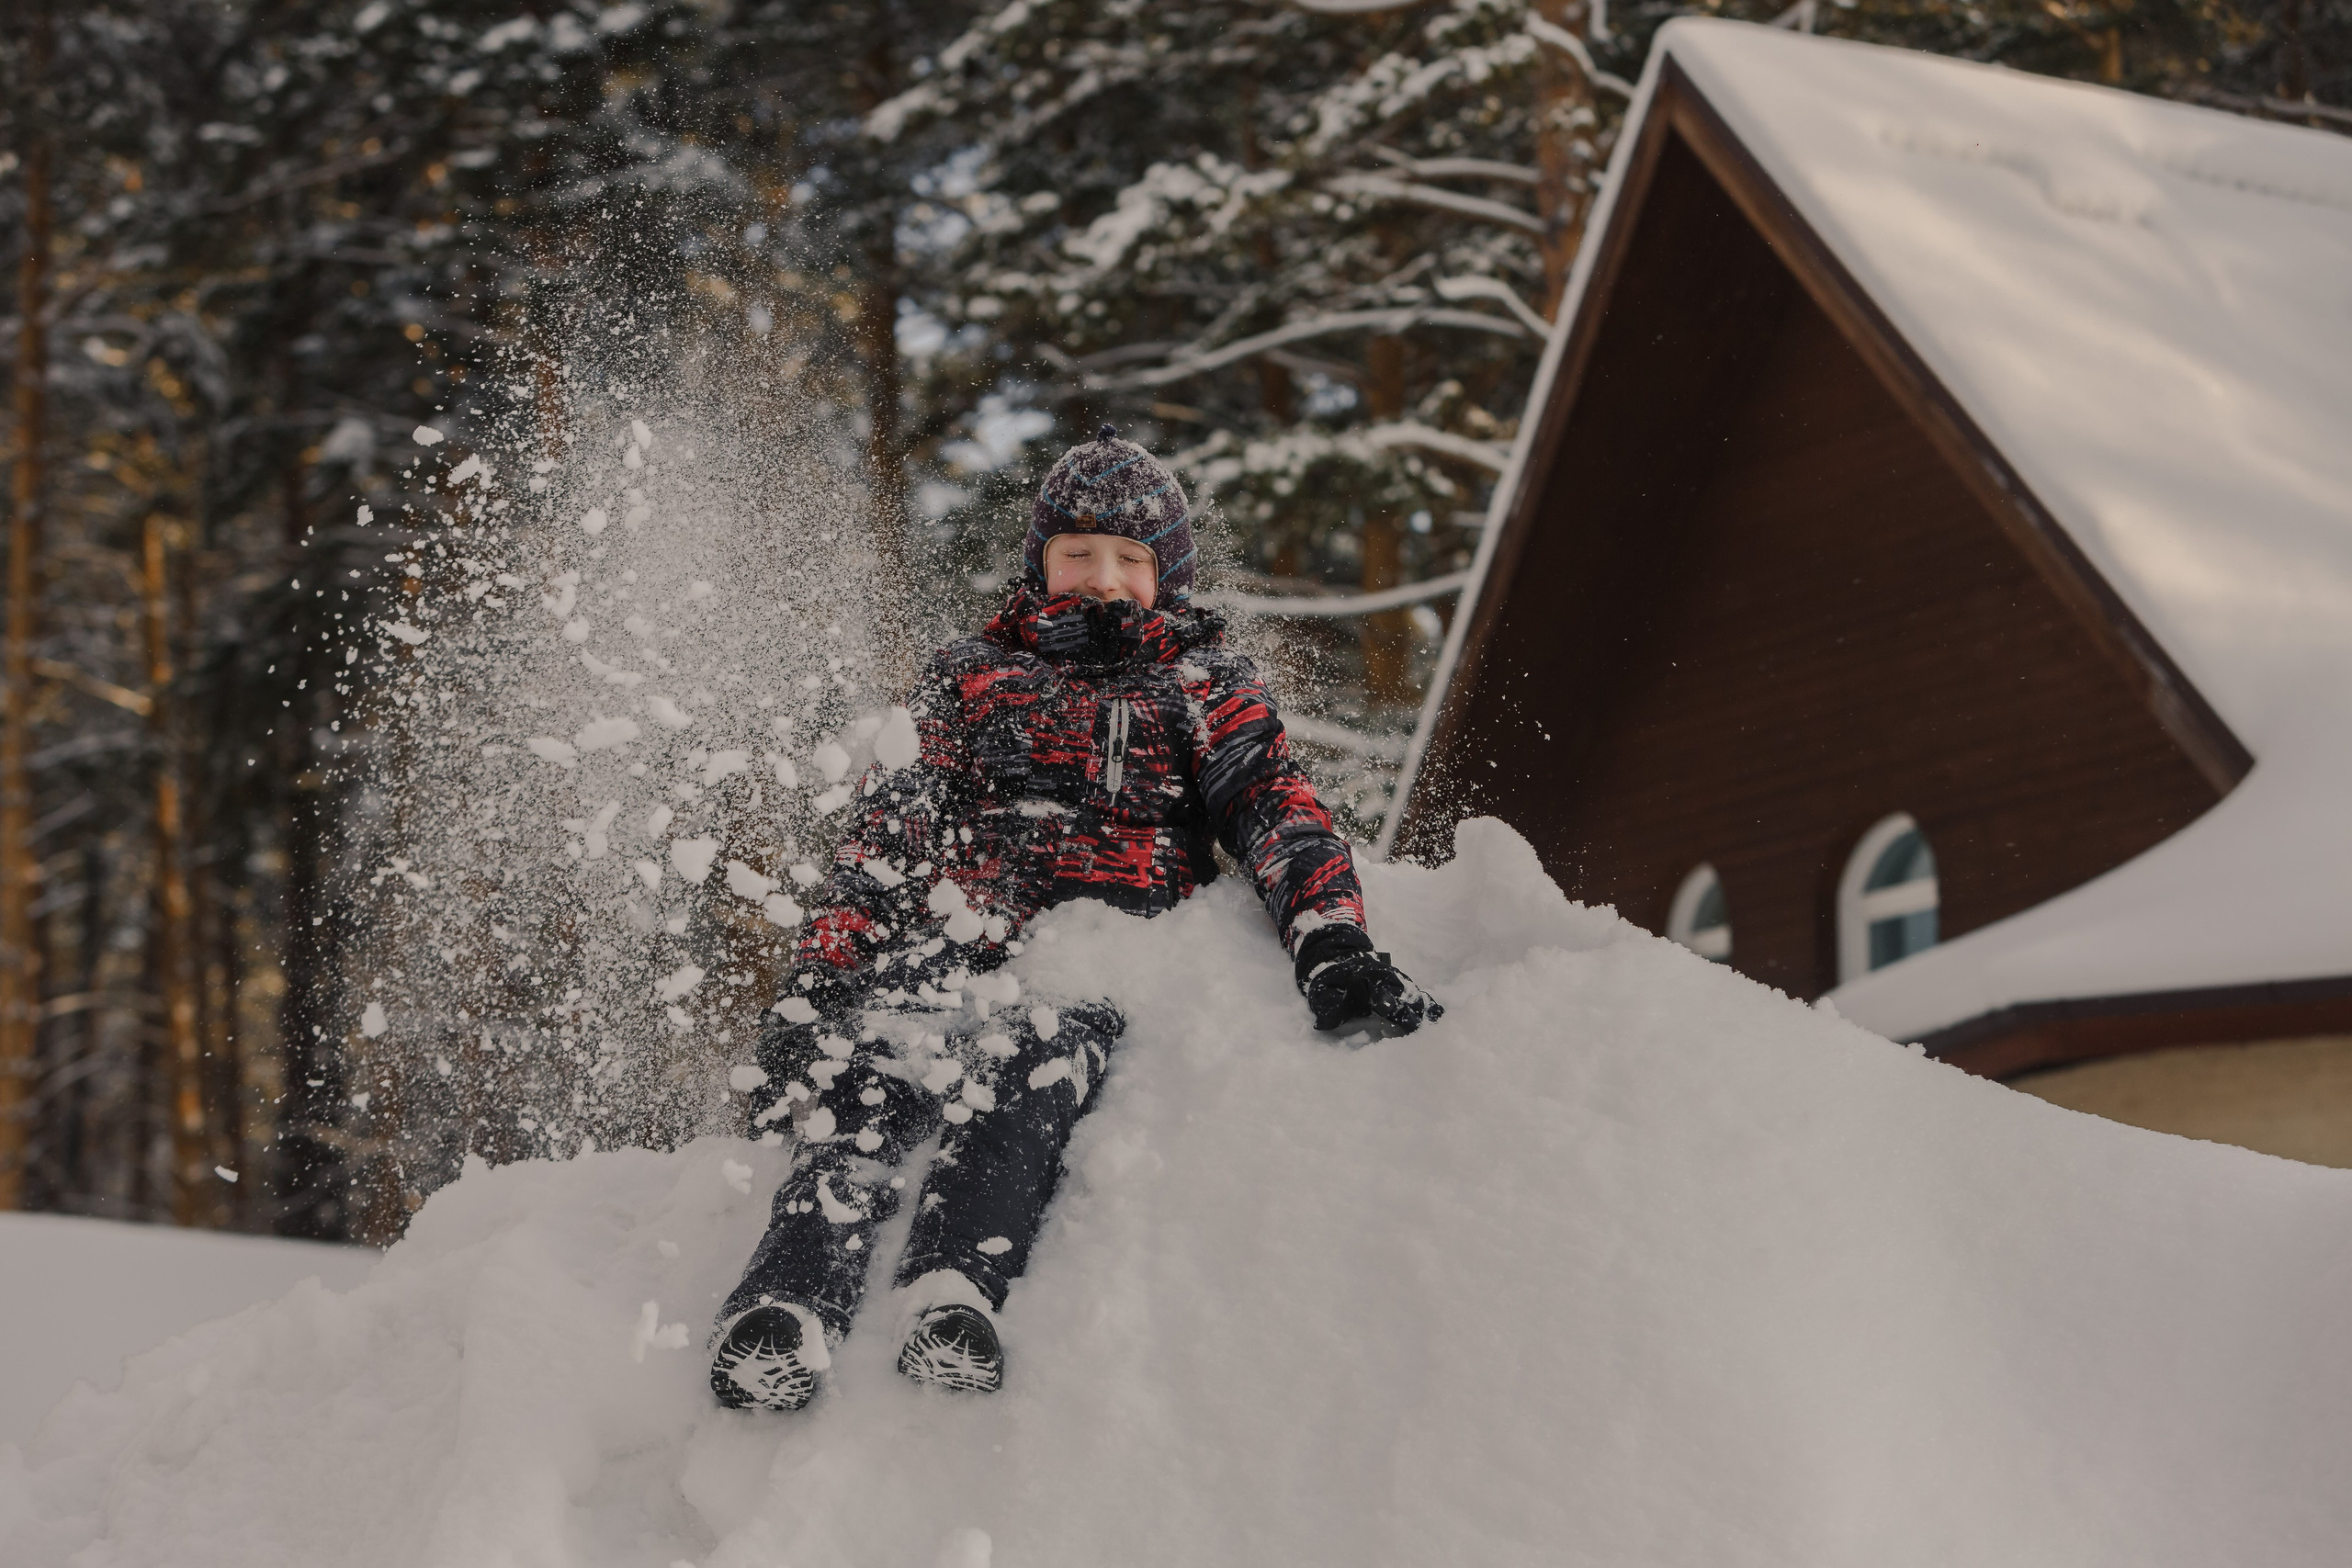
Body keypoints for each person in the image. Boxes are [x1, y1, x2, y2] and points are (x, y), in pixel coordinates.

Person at [709, 425, 1442, 1411]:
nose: (1103, 579)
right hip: (949, 935)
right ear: (1040, 563)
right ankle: (787, 1301)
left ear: (1166, 576)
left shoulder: (1201, 684)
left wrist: (1333, 946)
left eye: (1131, 560)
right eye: (1079, 554)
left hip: (1092, 950)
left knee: (1027, 1083)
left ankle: (954, 1287)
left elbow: (1276, 811)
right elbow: (890, 831)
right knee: (868, 1078)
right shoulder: (970, 675)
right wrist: (823, 981)